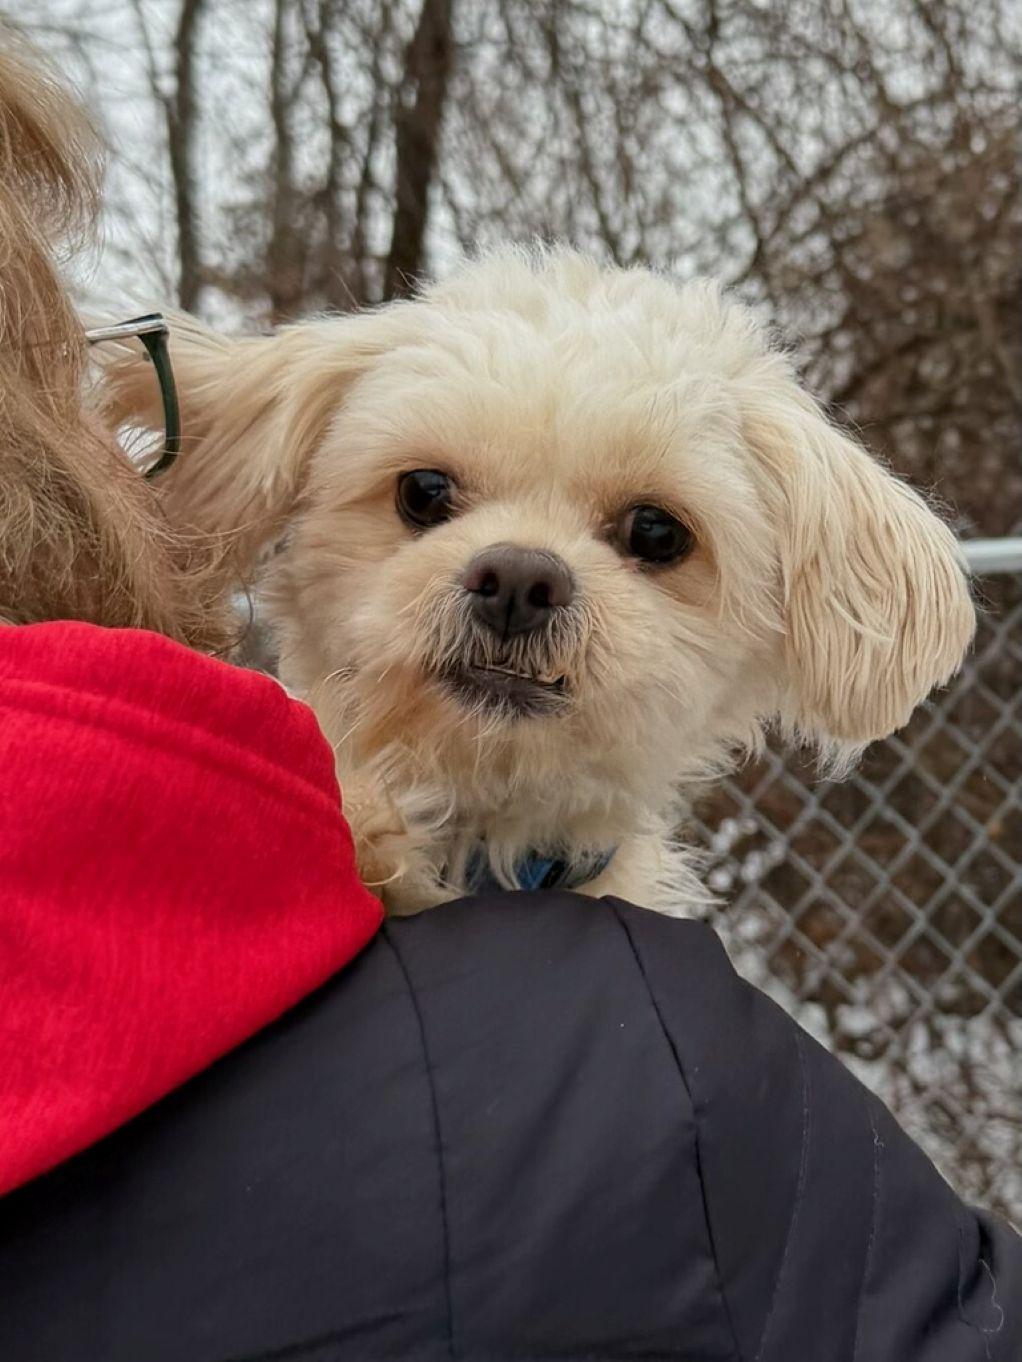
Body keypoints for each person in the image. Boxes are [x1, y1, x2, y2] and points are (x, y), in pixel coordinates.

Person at [0, 32, 1019, 1362]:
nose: (519, 576)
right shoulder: (182, 894)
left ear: (766, 621)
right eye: (429, 499)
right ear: (295, 514)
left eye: (650, 538)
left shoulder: (680, 1060)